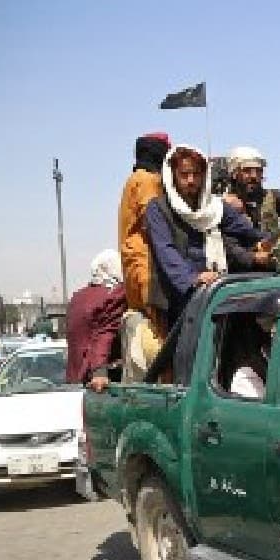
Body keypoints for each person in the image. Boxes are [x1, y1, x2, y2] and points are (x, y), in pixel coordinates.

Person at [145, 144, 273, 326]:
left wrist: (270, 242)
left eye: (196, 174)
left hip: (214, 291)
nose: (191, 180)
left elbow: (246, 231)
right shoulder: (158, 209)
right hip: (178, 298)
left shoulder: (214, 207)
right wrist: (192, 279)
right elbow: (166, 251)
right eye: (184, 174)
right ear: (173, 176)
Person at [117, 132, 171, 380]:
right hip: (147, 273)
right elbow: (156, 221)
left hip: (136, 273)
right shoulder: (148, 180)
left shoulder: (133, 179)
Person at [220, 146, 280, 236]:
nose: (254, 176)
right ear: (234, 174)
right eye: (247, 170)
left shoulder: (269, 197)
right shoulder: (219, 202)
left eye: (259, 171)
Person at [68, 250, 128, 392]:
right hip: (99, 384)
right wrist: (99, 371)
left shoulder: (77, 297)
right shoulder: (114, 295)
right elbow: (105, 333)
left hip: (75, 380)